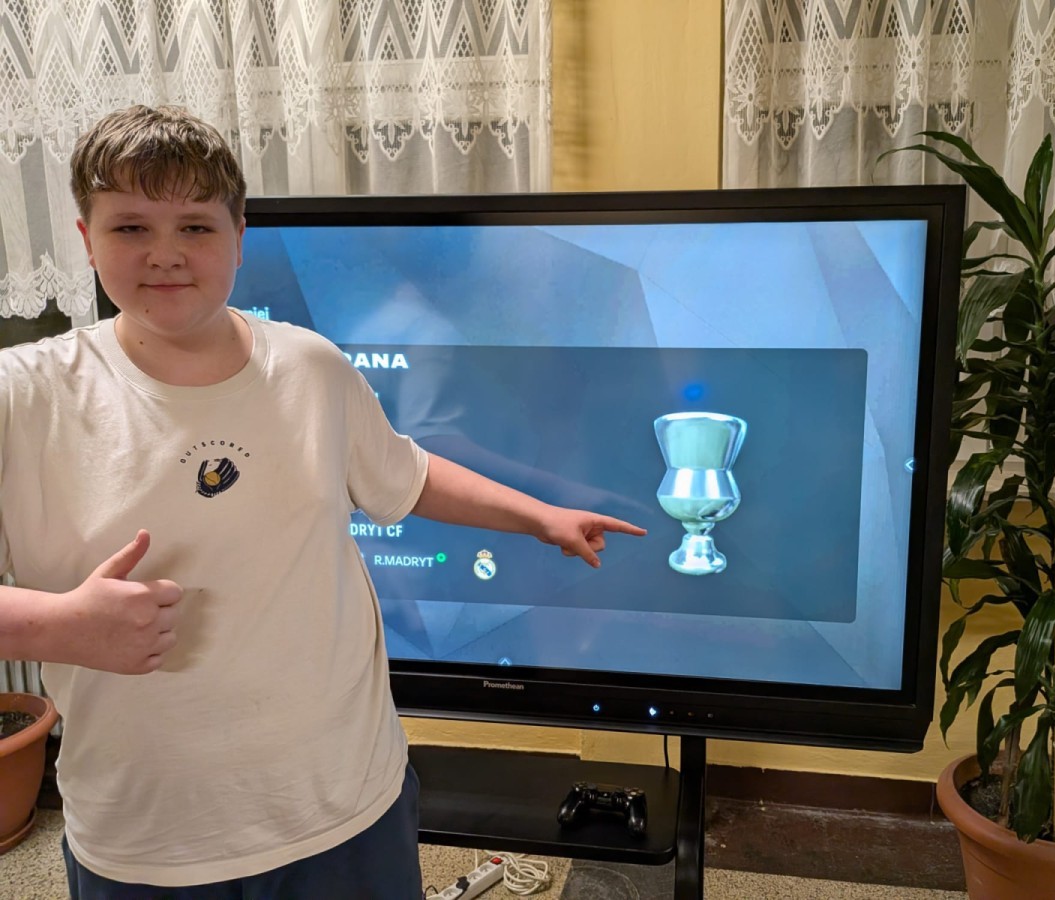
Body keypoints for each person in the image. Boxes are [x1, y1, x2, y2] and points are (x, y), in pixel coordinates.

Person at [0, 104, 646, 900]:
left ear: (240, 236)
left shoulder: (312, 367)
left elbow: (406, 473)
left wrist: (540, 516)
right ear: (85, 236)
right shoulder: (23, 396)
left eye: (195, 227)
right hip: (147, 837)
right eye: (131, 227)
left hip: (346, 806)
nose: (165, 254)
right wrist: (58, 626)